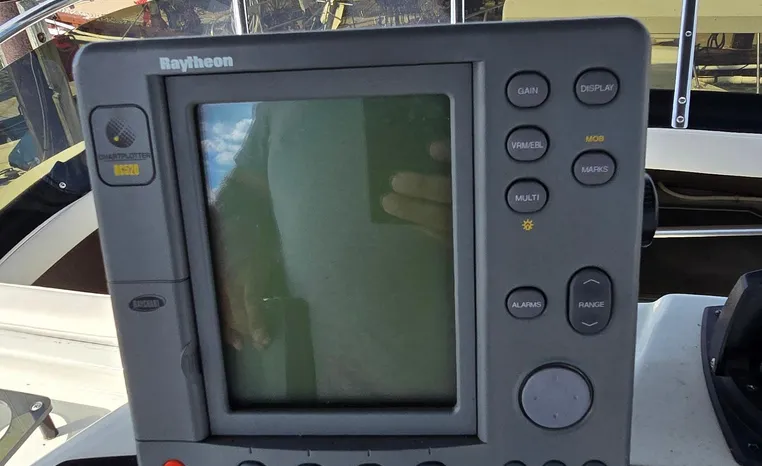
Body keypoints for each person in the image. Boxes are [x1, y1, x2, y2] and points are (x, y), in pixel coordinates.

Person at [207, 96, 457, 408]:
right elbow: (246, 187)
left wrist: (495, 225)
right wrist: (231, 243)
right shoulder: (281, 84)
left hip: (470, 403)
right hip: (311, 405)